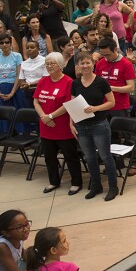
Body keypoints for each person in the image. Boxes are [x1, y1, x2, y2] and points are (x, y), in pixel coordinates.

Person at [70, 52, 118, 200]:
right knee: (90, 158)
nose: (85, 66)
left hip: (99, 125)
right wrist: (71, 123)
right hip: (82, 126)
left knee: (105, 156)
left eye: (87, 63)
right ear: (77, 66)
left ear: (93, 64)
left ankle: (113, 187)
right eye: (82, 63)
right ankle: (96, 186)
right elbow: (73, 105)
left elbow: (112, 102)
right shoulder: (75, 83)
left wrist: (96, 108)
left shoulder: (101, 82)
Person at [33, 52, 83, 195]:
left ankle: (76, 183)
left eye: (52, 63)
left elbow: (68, 104)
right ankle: (54, 181)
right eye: (47, 63)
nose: (49, 66)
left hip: (62, 127)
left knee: (70, 156)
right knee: (49, 157)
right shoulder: (43, 81)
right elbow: (36, 100)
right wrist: (44, 116)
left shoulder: (68, 82)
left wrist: (51, 116)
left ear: (60, 65)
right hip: (46, 126)